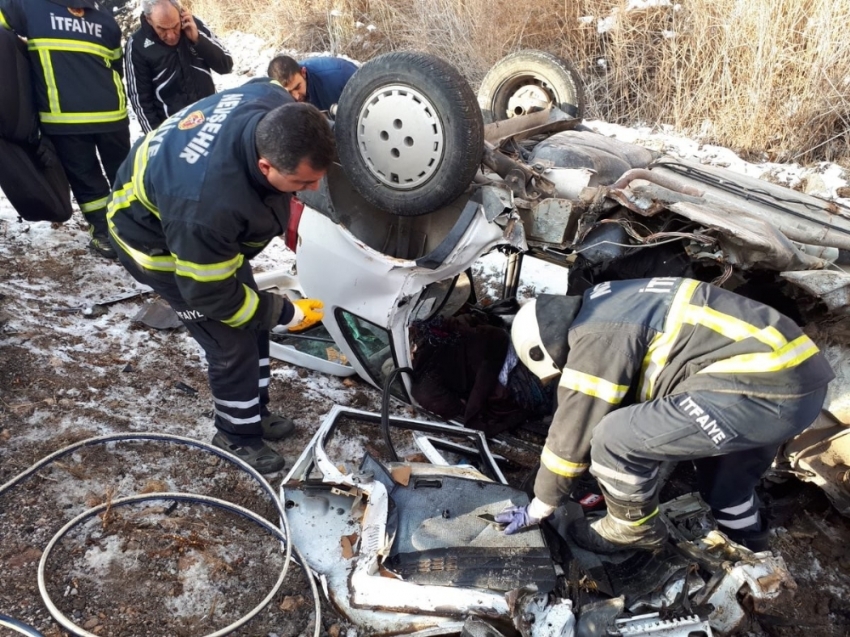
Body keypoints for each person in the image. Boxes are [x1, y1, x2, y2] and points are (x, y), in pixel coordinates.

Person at [496, 277, 833, 553]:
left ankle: (630, 529)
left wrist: (540, 504)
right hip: (794, 384)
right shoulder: (612, 298)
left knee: (614, 439)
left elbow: (574, 430)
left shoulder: (595, 335)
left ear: (548, 352)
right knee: (727, 489)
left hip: (756, 387)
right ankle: (754, 551)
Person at [106, 81, 335, 474]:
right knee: (230, 341)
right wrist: (285, 314)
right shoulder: (205, 207)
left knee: (253, 320)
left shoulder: (274, 104)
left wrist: (267, 313)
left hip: (200, 230)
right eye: (301, 182)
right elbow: (213, 295)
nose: (313, 188)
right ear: (265, 166)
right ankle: (235, 434)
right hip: (156, 243)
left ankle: (255, 412)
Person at [0, 0, 130, 259]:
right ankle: (135, 230)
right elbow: (116, 66)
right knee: (124, 176)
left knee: (87, 180)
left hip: (65, 117)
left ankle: (105, 235)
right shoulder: (105, 20)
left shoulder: (29, 8)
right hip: (112, 113)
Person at [125, 0, 233, 134]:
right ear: (149, 19)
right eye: (162, 29)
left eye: (175, 26)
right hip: (174, 131)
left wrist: (198, 39)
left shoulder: (193, 24)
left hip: (211, 119)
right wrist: (156, 139)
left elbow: (226, 66)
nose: (171, 35)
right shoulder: (137, 44)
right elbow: (141, 101)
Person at [267, 54, 357, 112]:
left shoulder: (339, 74)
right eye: (289, 92)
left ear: (303, 72)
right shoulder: (273, 97)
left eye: (298, 87)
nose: (296, 96)